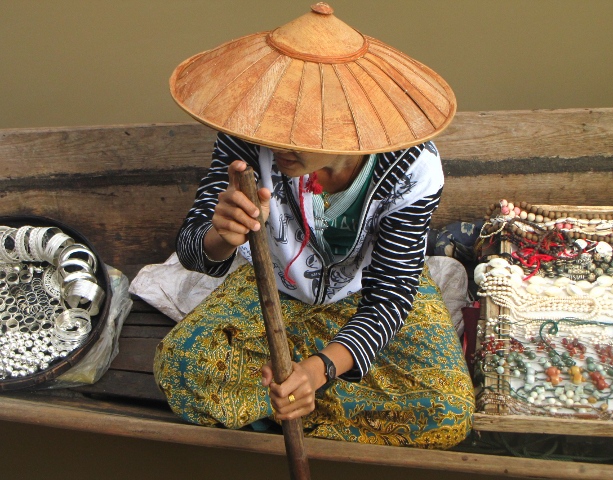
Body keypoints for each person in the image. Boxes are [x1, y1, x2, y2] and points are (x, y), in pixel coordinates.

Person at [154, 3, 474, 449]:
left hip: (367, 292)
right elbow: (192, 251)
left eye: (302, 130)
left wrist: (316, 370)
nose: (281, 143)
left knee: (449, 412)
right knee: (180, 369)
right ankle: (291, 401)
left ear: (350, 125)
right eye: (278, 125)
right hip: (274, 286)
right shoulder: (246, 135)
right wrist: (219, 236)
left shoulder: (413, 166)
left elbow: (389, 298)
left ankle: (285, 402)